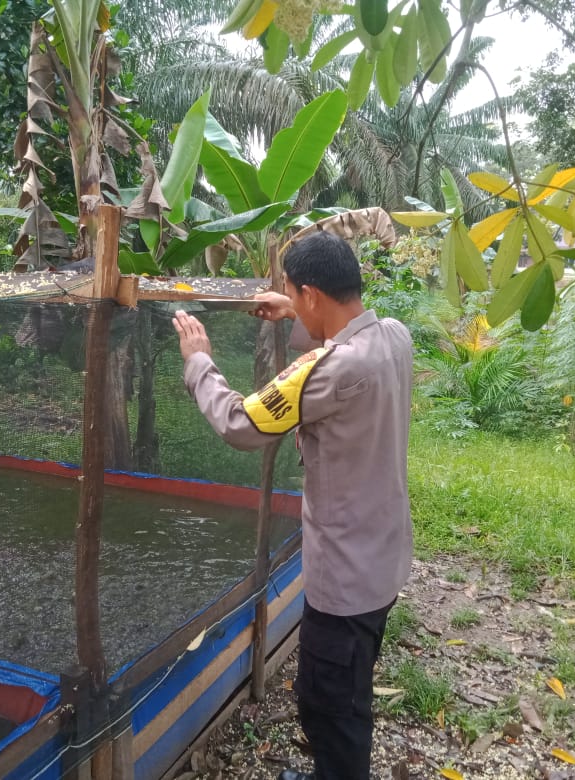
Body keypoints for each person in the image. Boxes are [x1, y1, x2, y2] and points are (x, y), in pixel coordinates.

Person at [172, 231, 413, 780]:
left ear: (312, 293)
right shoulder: (395, 336)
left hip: (345, 579)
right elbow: (340, 341)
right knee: (344, 691)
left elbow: (241, 423)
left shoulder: (331, 370)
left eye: (294, 293)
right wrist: (296, 312)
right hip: (383, 559)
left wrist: (199, 362)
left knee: (332, 710)